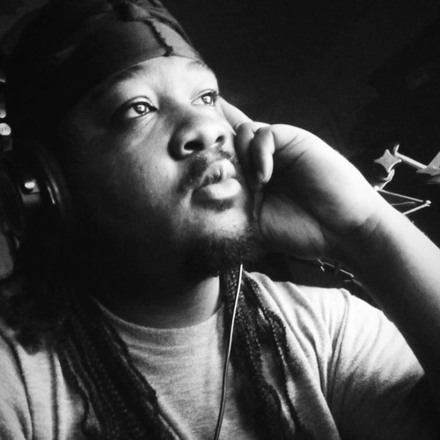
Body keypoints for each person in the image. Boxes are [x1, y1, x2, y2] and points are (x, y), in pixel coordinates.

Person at [0, 0, 439, 439]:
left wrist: (366, 231)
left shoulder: (325, 329)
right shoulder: (14, 380)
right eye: (137, 108)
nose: (205, 128)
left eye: (206, 98)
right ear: (50, 184)